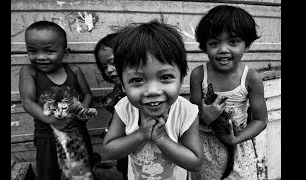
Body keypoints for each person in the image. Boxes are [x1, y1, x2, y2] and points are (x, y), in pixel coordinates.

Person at [102, 20, 204, 180]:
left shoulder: (186, 111)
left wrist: (161, 139)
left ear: (182, 79)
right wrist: (141, 135)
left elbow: (196, 163)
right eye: (137, 80)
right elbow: (109, 151)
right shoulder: (124, 107)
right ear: (122, 84)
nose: (152, 91)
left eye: (165, 77)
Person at [189, 5, 268, 180]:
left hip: (238, 145)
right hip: (205, 147)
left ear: (246, 45)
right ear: (204, 47)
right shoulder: (199, 74)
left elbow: (261, 121)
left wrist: (234, 140)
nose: (223, 49)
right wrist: (205, 117)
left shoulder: (251, 78)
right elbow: (190, 116)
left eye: (233, 42)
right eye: (214, 43)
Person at [19, 20, 96, 180]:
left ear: (65, 52)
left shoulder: (74, 70)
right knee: (49, 173)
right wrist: (54, 121)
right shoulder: (29, 71)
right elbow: (28, 102)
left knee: (81, 173)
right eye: (32, 51)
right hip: (47, 136)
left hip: (76, 133)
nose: (40, 57)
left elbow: (87, 95)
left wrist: (80, 114)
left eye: (48, 51)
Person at [94, 32, 128, 180]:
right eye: (104, 66)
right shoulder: (120, 86)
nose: (108, 70)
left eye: (113, 62)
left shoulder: (136, 91)